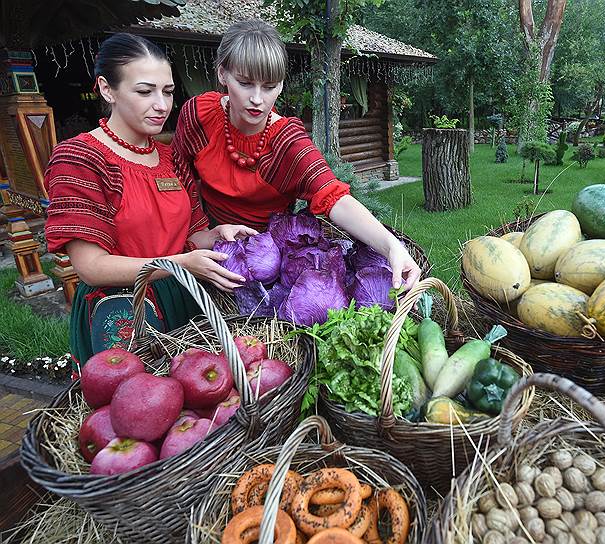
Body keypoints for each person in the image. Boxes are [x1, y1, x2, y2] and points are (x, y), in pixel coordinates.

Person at [44, 33, 256, 368]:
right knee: (138, 407)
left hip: (183, 299)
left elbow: (192, 234)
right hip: (122, 311)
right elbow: (91, 267)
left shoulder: (171, 158)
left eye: (168, 91)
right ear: (106, 89)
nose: (162, 105)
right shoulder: (81, 160)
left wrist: (219, 235)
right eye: (145, 91)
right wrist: (180, 265)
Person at [172, 19, 421, 290]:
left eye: (269, 86)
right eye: (245, 83)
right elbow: (181, 175)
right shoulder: (198, 115)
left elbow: (335, 198)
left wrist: (391, 247)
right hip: (199, 246)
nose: (257, 99)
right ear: (223, 74)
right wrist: (199, 234)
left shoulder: (287, 143)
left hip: (262, 263)